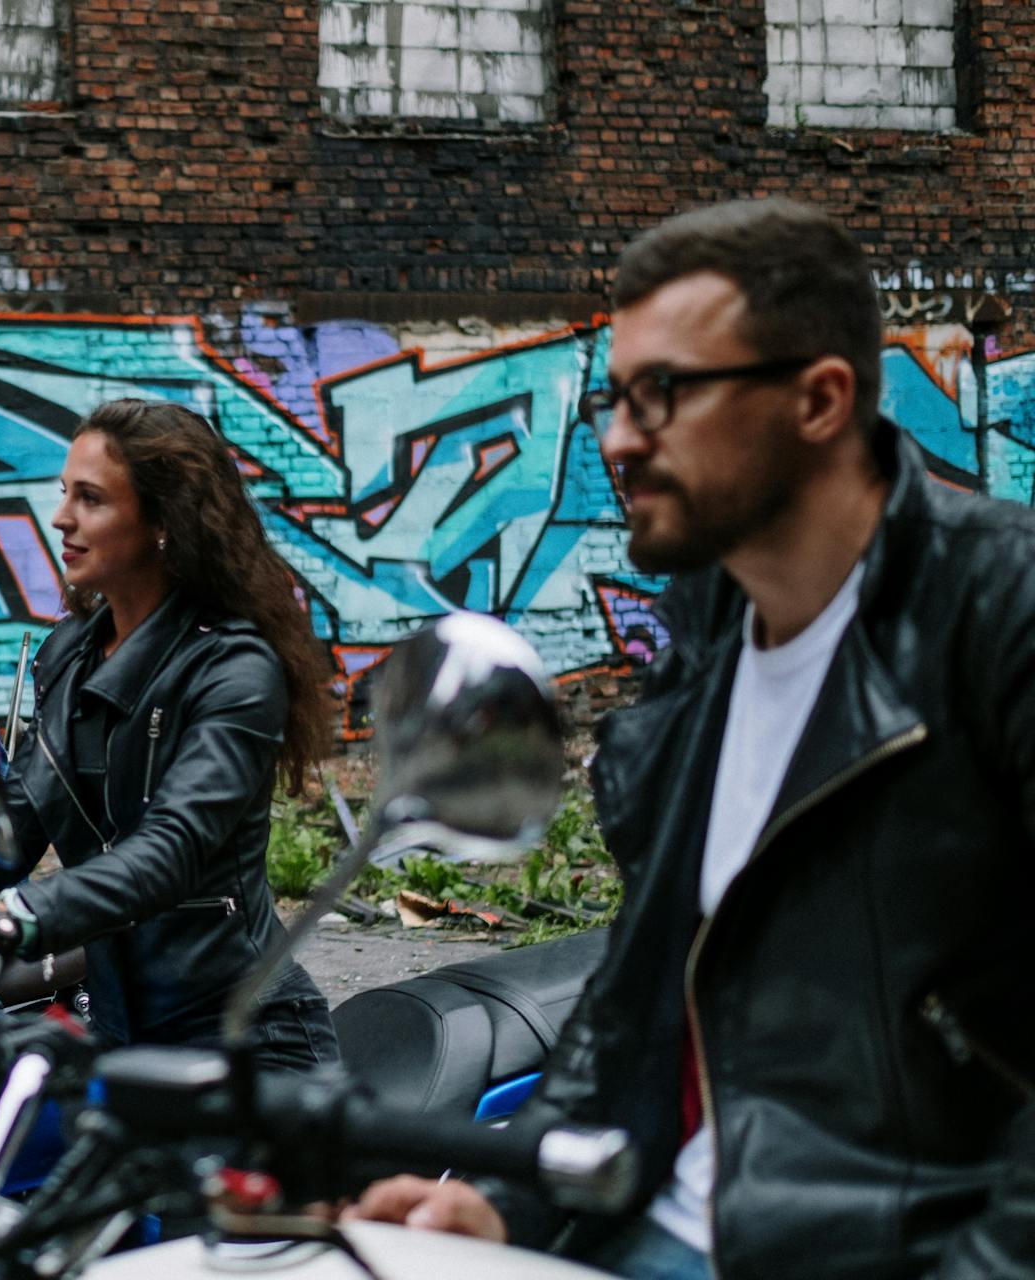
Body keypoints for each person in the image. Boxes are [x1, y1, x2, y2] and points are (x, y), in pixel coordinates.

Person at [350, 198, 1035, 1279]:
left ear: (819, 398)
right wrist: (506, 1202)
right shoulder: (709, 633)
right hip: (654, 1226)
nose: (621, 438)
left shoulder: (1000, 607)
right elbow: (637, 989)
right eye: (617, 399)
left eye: (664, 394)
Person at [0, 398, 341, 1070]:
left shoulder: (234, 669)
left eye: (90, 499)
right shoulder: (68, 655)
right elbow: (12, 822)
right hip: (122, 1036)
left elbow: (168, 851)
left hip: (246, 1041)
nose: (61, 517)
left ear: (163, 522)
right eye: (65, 493)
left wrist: (9, 919)